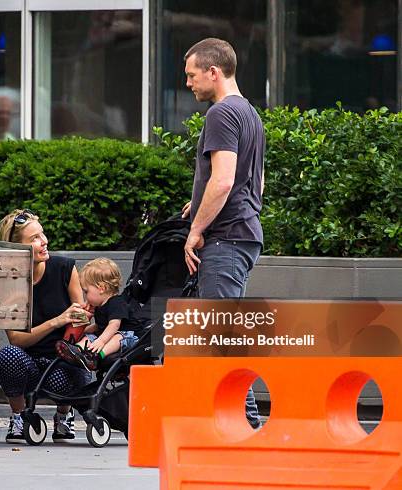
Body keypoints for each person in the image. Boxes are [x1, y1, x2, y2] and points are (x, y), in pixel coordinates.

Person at [181, 38, 265, 428]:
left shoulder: (221, 113)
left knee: (221, 338)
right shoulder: (249, 113)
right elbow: (255, 184)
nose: (188, 83)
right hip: (244, 234)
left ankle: (246, 426)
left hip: (225, 238)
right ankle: (238, 424)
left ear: (213, 72)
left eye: (192, 75)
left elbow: (225, 179)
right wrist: (196, 203)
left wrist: (197, 228)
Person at [0, 209, 92, 442]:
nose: (44, 241)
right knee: (7, 355)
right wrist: (57, 320)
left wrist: (80, 318)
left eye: (42, 234)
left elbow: (83, 319)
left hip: (61, 358)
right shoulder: (8, 282)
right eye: (34, 238)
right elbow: (16, 339)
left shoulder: (64, 268)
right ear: (18, 248)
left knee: (70, 368)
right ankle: (19, 417)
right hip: (28, 362)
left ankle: (63, 417)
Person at [55, 258, 148, 371]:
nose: (85, 296)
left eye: (86, 292)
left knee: (117, 337)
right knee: (89, 337)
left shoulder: (116, 302)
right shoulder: (99, 306)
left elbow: (114, 325)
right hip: (109, 335)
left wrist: (101, 341)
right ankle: (77, 351)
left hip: (130, 337)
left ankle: (96, 357)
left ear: (101, 288)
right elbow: (99, 326)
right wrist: (83, 330)